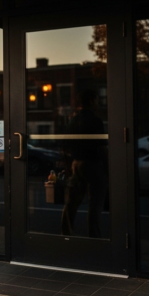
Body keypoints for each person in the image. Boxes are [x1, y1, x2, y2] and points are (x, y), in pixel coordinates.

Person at [61, 89, 108, 238]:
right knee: (95, 205)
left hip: (77, 163)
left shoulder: (73, 120)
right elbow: (101, 147)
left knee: (72, 203)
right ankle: (94, 237)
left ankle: (66, 233)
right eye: (96, 99)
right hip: (93, 164)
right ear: (91, 101)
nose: (98, 102)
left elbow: (65, 146)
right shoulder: (95, 121)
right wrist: (107, 167)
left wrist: (69, 165)